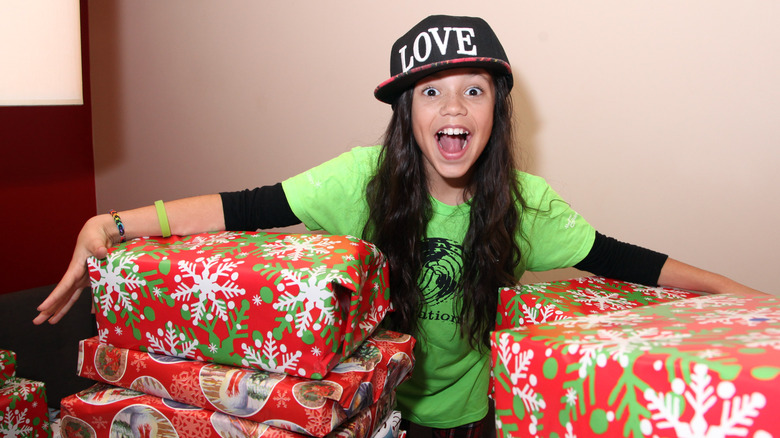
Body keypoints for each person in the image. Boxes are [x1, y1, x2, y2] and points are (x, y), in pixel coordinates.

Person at [35, 15, 763, 437]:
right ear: (406, 114)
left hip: (479, 419)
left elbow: (626, 259)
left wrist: (745, 299)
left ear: (495, 113)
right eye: (432, 92)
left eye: (473, 90)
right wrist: (113, 223)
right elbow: (245, 208)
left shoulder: (522, 204)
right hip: (374, 415)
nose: (453, 107)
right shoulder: (361, 180)